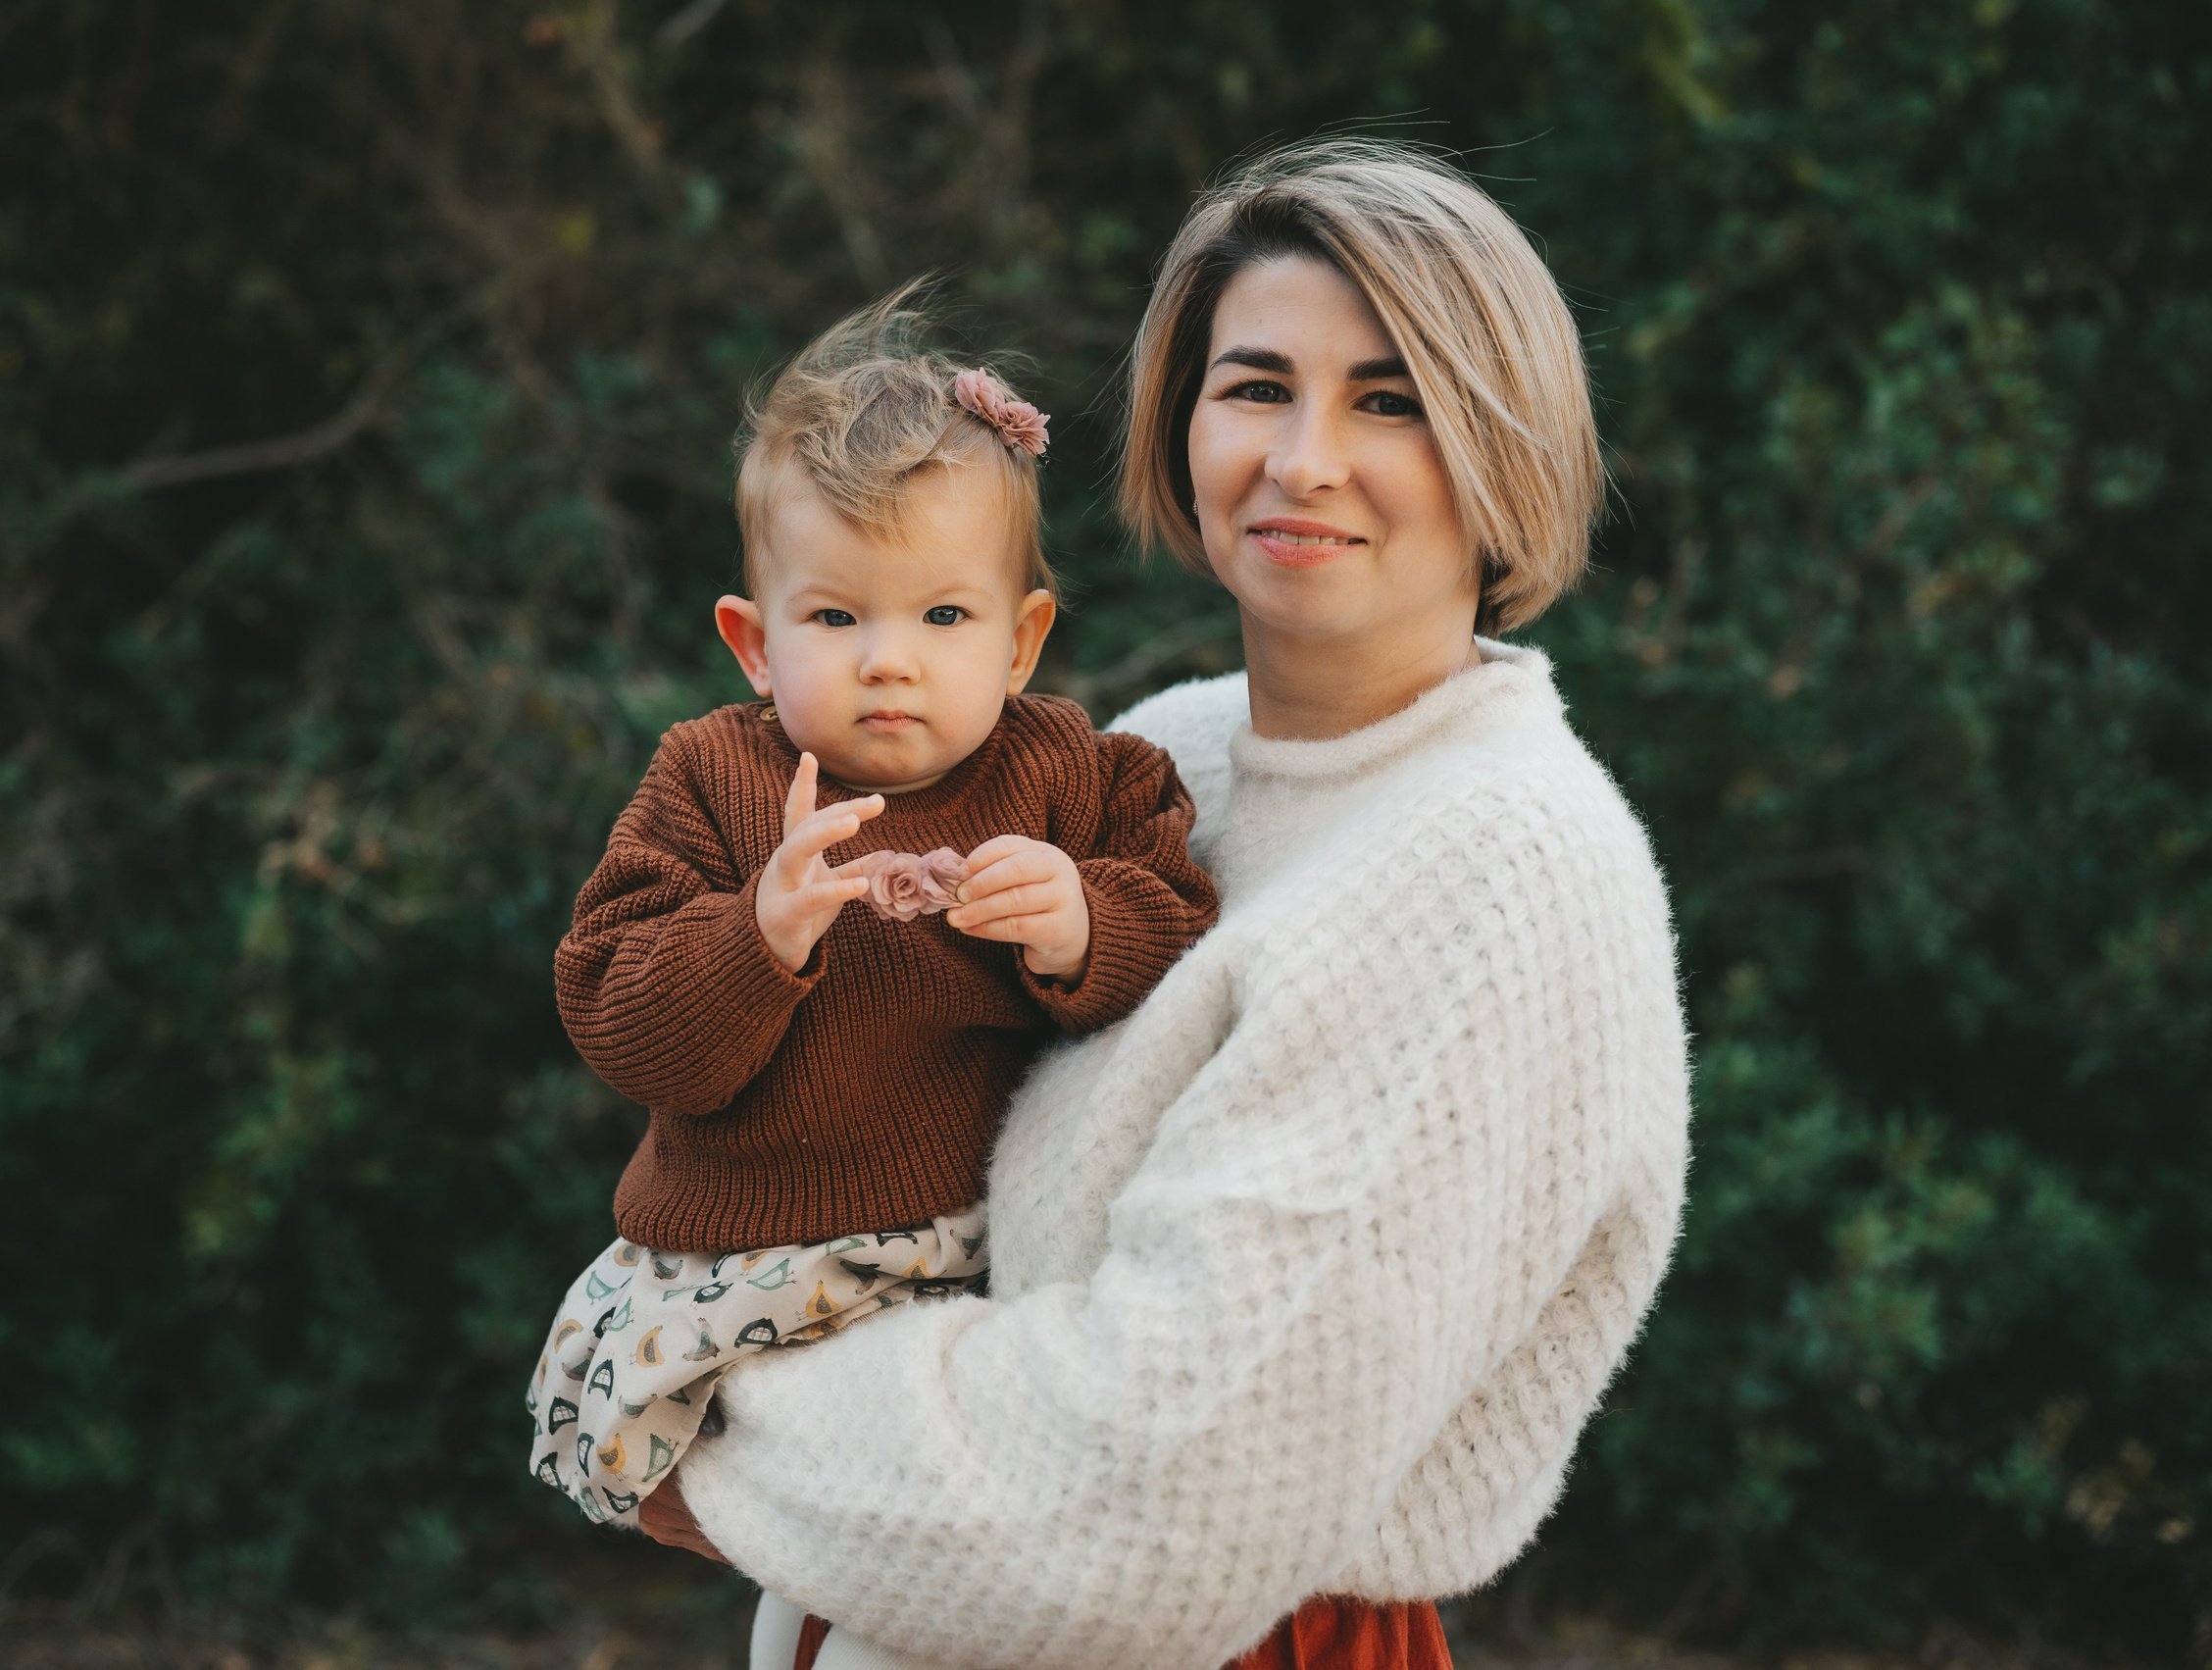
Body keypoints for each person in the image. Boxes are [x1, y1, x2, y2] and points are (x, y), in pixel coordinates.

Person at [638, 139, 1693, 1670]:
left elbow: (1161, 1497)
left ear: (1502, 444)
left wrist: (708, 1410)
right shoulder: (1168, 756)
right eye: (1255, 385)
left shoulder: (1497, 870)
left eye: (1388, 399)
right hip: (912, 1602)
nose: (1303, 457)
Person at [527, 297, 1220, 1530]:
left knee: (964, 1523)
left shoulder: (1062, 771)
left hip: (968, 1261)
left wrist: (1078, 923)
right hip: (740, 1256)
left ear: (1021, 641)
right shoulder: (711, 778)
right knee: (704, 1492)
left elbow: (1179, 910)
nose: (888, 658)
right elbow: (614, 1010)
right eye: (837, 616)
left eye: (942, 615)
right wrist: (758, 933)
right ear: (755, 641)